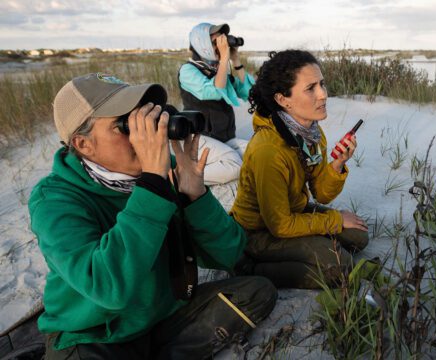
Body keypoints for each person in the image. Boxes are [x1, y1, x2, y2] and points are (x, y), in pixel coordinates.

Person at [28, 73, 277, 359]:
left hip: (162, 316)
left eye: (143, 119)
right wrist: (153, 186)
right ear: (84, 144)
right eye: (125, 126)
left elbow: (229, 253)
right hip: (98, 333)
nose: (144, 135)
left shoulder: (164, 171)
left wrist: (194, 196)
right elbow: (110, 288)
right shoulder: (55, 199)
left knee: (256, 293)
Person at [230, 50, 369, 289]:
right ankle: (248, 267)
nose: (323, 94)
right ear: (283, 100)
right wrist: (334, 219)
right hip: (258, 232)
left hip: (295, 211)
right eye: (311, 88)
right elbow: (280, 225)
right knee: (340, 266)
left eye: (322, 84)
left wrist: (337, 165)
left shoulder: (312, 133)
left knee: (359, 237)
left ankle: (314, 250)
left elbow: (322, 194)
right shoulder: (268, 150)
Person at [178, 22, 254, 185]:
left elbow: (248, 92)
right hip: (200, 138)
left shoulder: (218, 69)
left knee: (257, 153)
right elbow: (212, 91)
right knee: (234, 165)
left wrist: (236, 60)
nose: (220, 46)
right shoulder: (188, 71)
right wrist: (224, 59)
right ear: (201, 43)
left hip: (224, 138)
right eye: (215, 43)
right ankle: (181, 176)